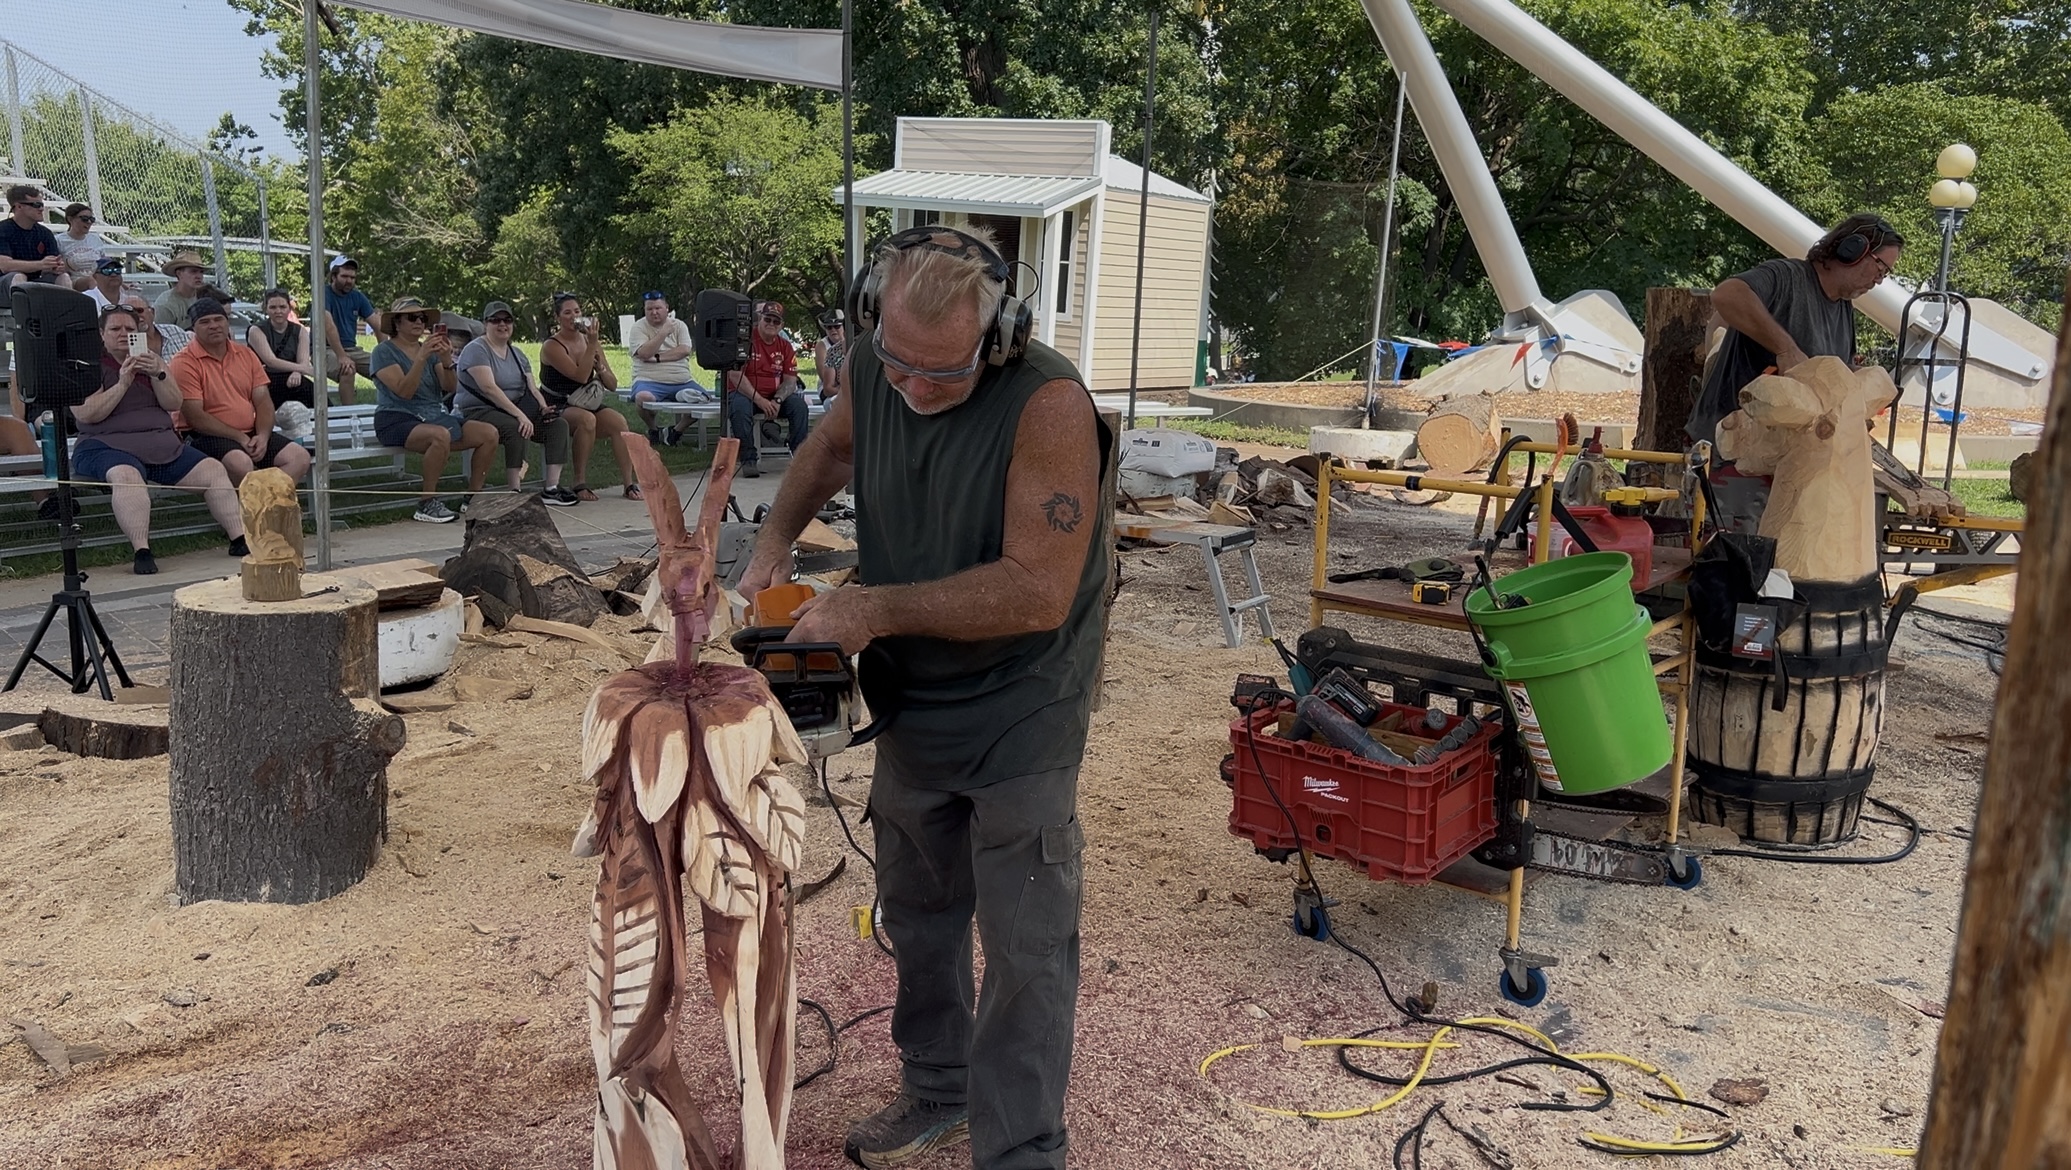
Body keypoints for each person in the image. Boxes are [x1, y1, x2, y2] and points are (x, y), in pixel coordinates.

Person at [738, 226, 1110, 1170]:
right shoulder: (883, 359)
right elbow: (829, 446)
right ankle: (938, 1087)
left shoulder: (1049, 406)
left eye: (939, 375)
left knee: (1025, 934)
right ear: (873, 320)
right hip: (913, 687)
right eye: (895, 363)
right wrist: (771, 546)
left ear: (999, 337)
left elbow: (1037, 588)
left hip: (1023, 697)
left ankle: (1023, 1149)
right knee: (916, 903)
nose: (911, 389)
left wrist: (867, 606)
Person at [1687, 212, 1904, 446]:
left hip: (1783, 451)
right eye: (1880, 269)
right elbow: (1726, 295)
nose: (1879, 280)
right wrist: (1785, 349)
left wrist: (1861, 380)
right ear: (1853, 250)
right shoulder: (1787, 277)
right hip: (1727, 443)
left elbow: (1825, 368)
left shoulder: (1843, 308)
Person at [71, 306, 246, 575]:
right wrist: (123, 383)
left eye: (129, 329)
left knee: (213, 470)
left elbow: (174, 402)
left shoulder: (151, 360)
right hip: (105, 445)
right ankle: (142, 550)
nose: (123, 335)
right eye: (115, 329)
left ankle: (239, 539)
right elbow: (88, 413)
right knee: (126, 475)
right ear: (101, 334)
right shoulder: (87, 365)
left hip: (160, 443)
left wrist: (159, 374)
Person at [368, 296, 499, 523]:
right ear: (397, 323)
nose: (419, 322)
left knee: (489, 433)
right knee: (439, 436)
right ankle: (426, 502)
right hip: (396, 417)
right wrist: (421, 358)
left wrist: (446, 359)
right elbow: (404, 391)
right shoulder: (383, 352)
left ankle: (473, 497)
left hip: (432, 415)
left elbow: (450, 386)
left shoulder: (428, 350)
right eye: (412, 317)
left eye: (422, 317)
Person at [169, 299, 312, 487]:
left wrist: (262, 436)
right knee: (241, 463)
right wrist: (240, 437)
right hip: (202, 435)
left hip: (249, 431)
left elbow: (263, 402)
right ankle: (260, 508)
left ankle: (265, 504)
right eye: (204, 322)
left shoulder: (245, 354)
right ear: (193, 328)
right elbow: (196, 417)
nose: (213, 326)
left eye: (218, 319)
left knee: (299, 457)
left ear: (227, 321)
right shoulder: (184, 362)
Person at [455, 300, 576, 504]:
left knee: (557, 425)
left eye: (507, 320)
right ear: (486, 324)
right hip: (479, 409)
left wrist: (544, 408)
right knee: (515, 427)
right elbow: (489, 389)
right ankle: (515, 490)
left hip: (514, 409)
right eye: (496, 320)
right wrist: (520, 416)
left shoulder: (517, 354)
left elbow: (531, 387)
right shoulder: (476, 350)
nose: (503, 325)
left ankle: (551, 488)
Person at [539, 292, 637, 501]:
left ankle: (629, 483)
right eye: (567, 313)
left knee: (618, 422)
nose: (573, 317)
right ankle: (579, 481)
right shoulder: (552, 346)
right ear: (558, 318)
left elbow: (612, 384)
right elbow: (580, 376)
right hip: (557, 402)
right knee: (587, 420)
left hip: (584, 400)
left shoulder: (589, 340)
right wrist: (591, 345)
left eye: (577, 311)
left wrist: (600, 368)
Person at [725, 299, 809, 478]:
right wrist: (760, 400)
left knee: (800, 407)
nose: (771, 324)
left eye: (776, 321)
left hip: (773, 395)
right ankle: (748, 459)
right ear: (759, 319)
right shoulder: (745, 340)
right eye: (767, 319)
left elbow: (790, 380)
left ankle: (799, 457)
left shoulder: (785, 347)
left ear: (781, 325)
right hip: (744, 393)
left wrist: (777, 400)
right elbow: (735, 375)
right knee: (739, 408)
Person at [625, 290, 706, 445]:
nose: (654, 312)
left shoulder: (680, 325)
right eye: (649, 309)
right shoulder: (639, 327)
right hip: (648, 379)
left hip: (681, 380)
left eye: (658, 308)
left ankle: (675, 431)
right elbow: (643, 353)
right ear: (645, 310)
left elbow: (684, 350)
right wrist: (663, 333)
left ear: (667, 308)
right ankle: (653, 429)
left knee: (702, 400)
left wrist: (656, 357)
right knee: (643, 398)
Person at [321, 255, 381, 405]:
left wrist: (384, 351)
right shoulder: (323, 294)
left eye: (353, 277)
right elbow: (328, 326)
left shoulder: (358, 297)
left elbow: (378, 325)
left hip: (352, 349)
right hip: (324, 349)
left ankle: (390, 410)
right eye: (345, 276)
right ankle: (349, 415)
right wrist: (341, 356)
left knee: (386, 369)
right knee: (347, 369)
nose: (349, 281)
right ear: (333, 276)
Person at [247, 289, 318, 410]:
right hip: (265, 377)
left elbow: (303, 359)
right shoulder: (256, 330)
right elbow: (271, 361)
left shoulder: (300, 331)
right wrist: (304, 369)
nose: (278, 311)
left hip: (292, 375)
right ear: (266, 309)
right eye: (273, 307)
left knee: (311, 390)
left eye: (282, 307)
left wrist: (297, 372)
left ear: (289, 309)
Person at [0, 185, 66, 296]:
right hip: (5, 284)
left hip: (35, 281)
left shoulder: (45, 233)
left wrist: (56, 267)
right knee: (18, 277)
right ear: (19, 207)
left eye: (41, 204)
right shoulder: (3, 230)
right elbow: (5, 266)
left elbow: (51, 265)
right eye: (36, 205)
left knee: (63, 277)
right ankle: (22, 313)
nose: (41, 208)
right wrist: (41, 264)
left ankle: (67, 312)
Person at [151, 251, 209, 327]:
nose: (199, 276)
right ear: (179, 274)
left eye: (201, 272)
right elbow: (161, 334)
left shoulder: (206, 296)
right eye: (193, 271)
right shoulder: (165, 304)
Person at [56, 203, 107, 286]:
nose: (89, 222)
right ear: (70, 219)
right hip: (73, 280)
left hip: (97, 277)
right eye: (84, 219)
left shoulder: (95, 239)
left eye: (92, 219)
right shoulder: (59, 240)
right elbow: (55, 267)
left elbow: (104, 263)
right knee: (91, 281)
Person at [813, 309, 848, 401]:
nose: (833, 330)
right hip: (829, 390)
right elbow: (823, 375)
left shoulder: (852, 343)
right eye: (829, 327)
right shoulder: (822, 345)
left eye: (837, 326)